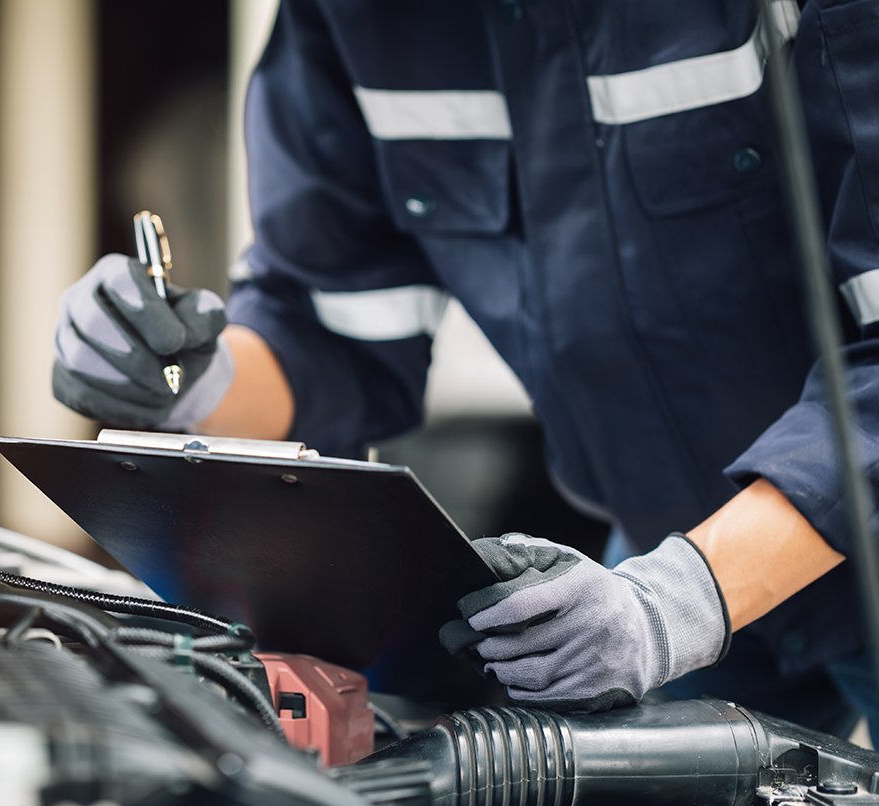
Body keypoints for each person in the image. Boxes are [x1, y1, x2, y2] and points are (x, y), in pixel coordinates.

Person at [52, 1, 879, 734]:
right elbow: (323, 330)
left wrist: (681, 602)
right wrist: (187, 382)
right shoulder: (350, 23)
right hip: (661, 554)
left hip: (740, 568)